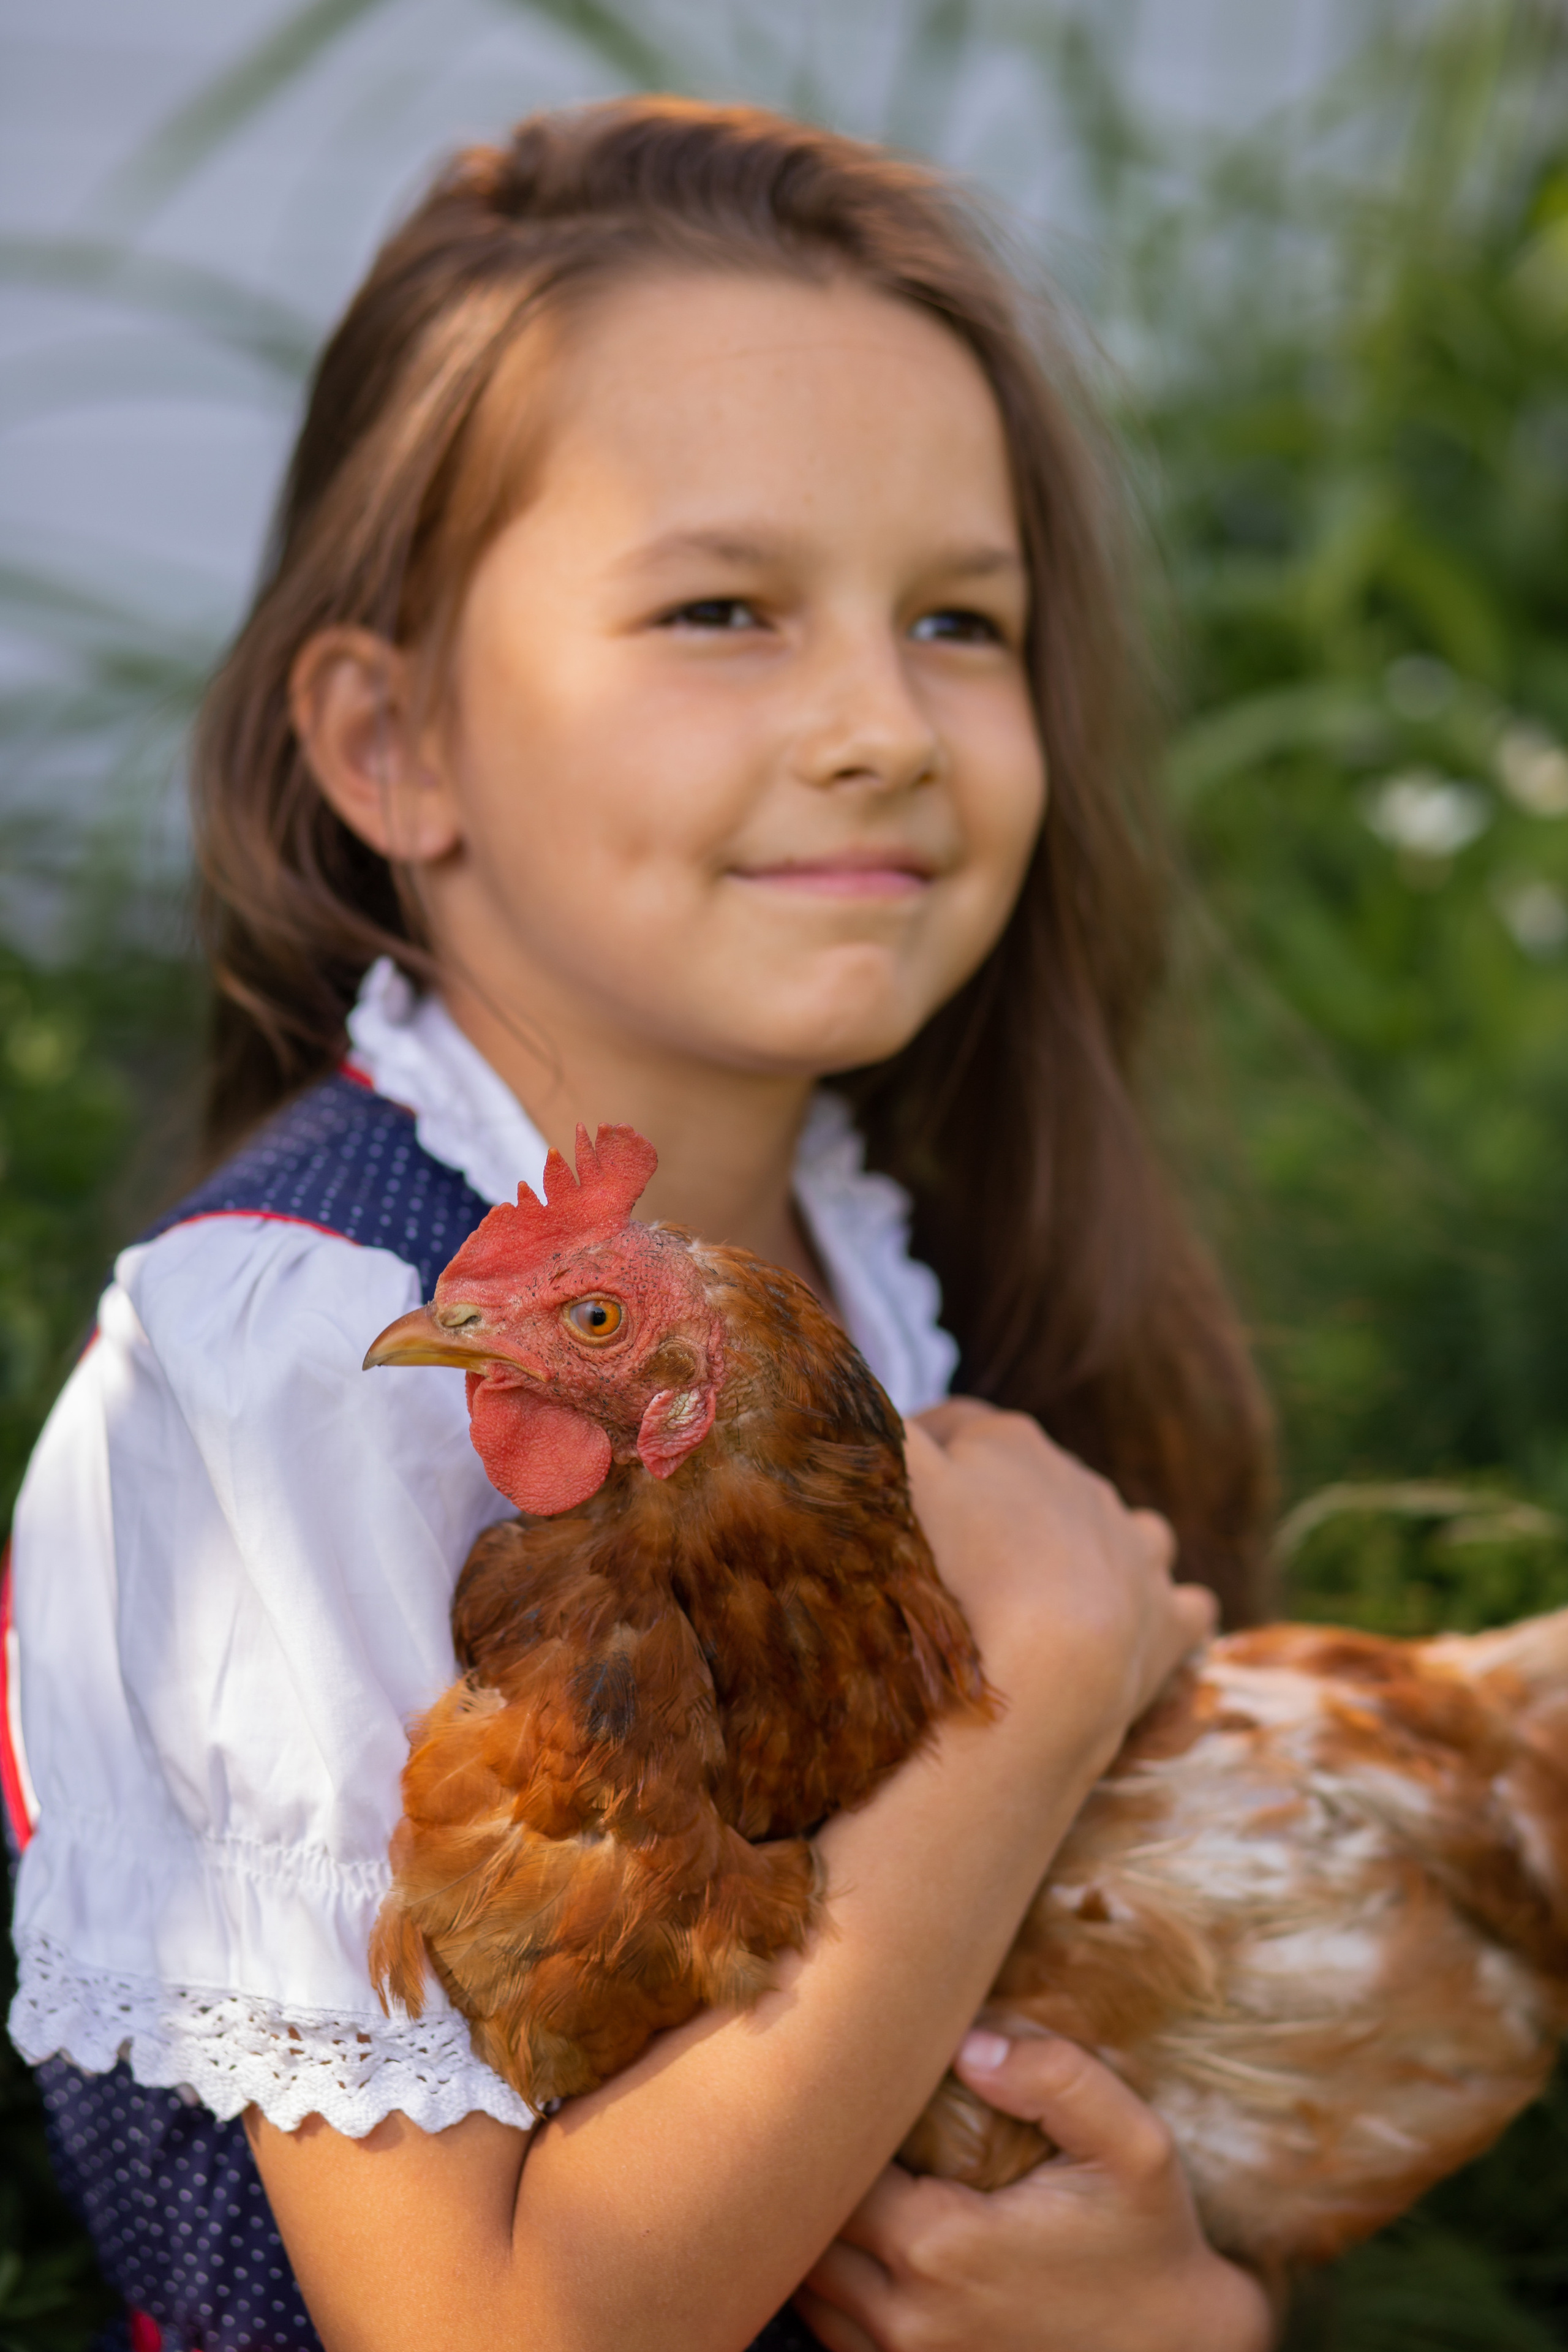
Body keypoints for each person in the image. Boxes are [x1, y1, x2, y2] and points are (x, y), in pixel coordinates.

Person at [3, 99, 1278, 2352]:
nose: (884, 725)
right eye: (724, 609)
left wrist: (1181, 2324)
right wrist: (1030, 1708)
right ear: (390, 745)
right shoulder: (291, 1366)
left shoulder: (909, 1274)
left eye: (961, 622)